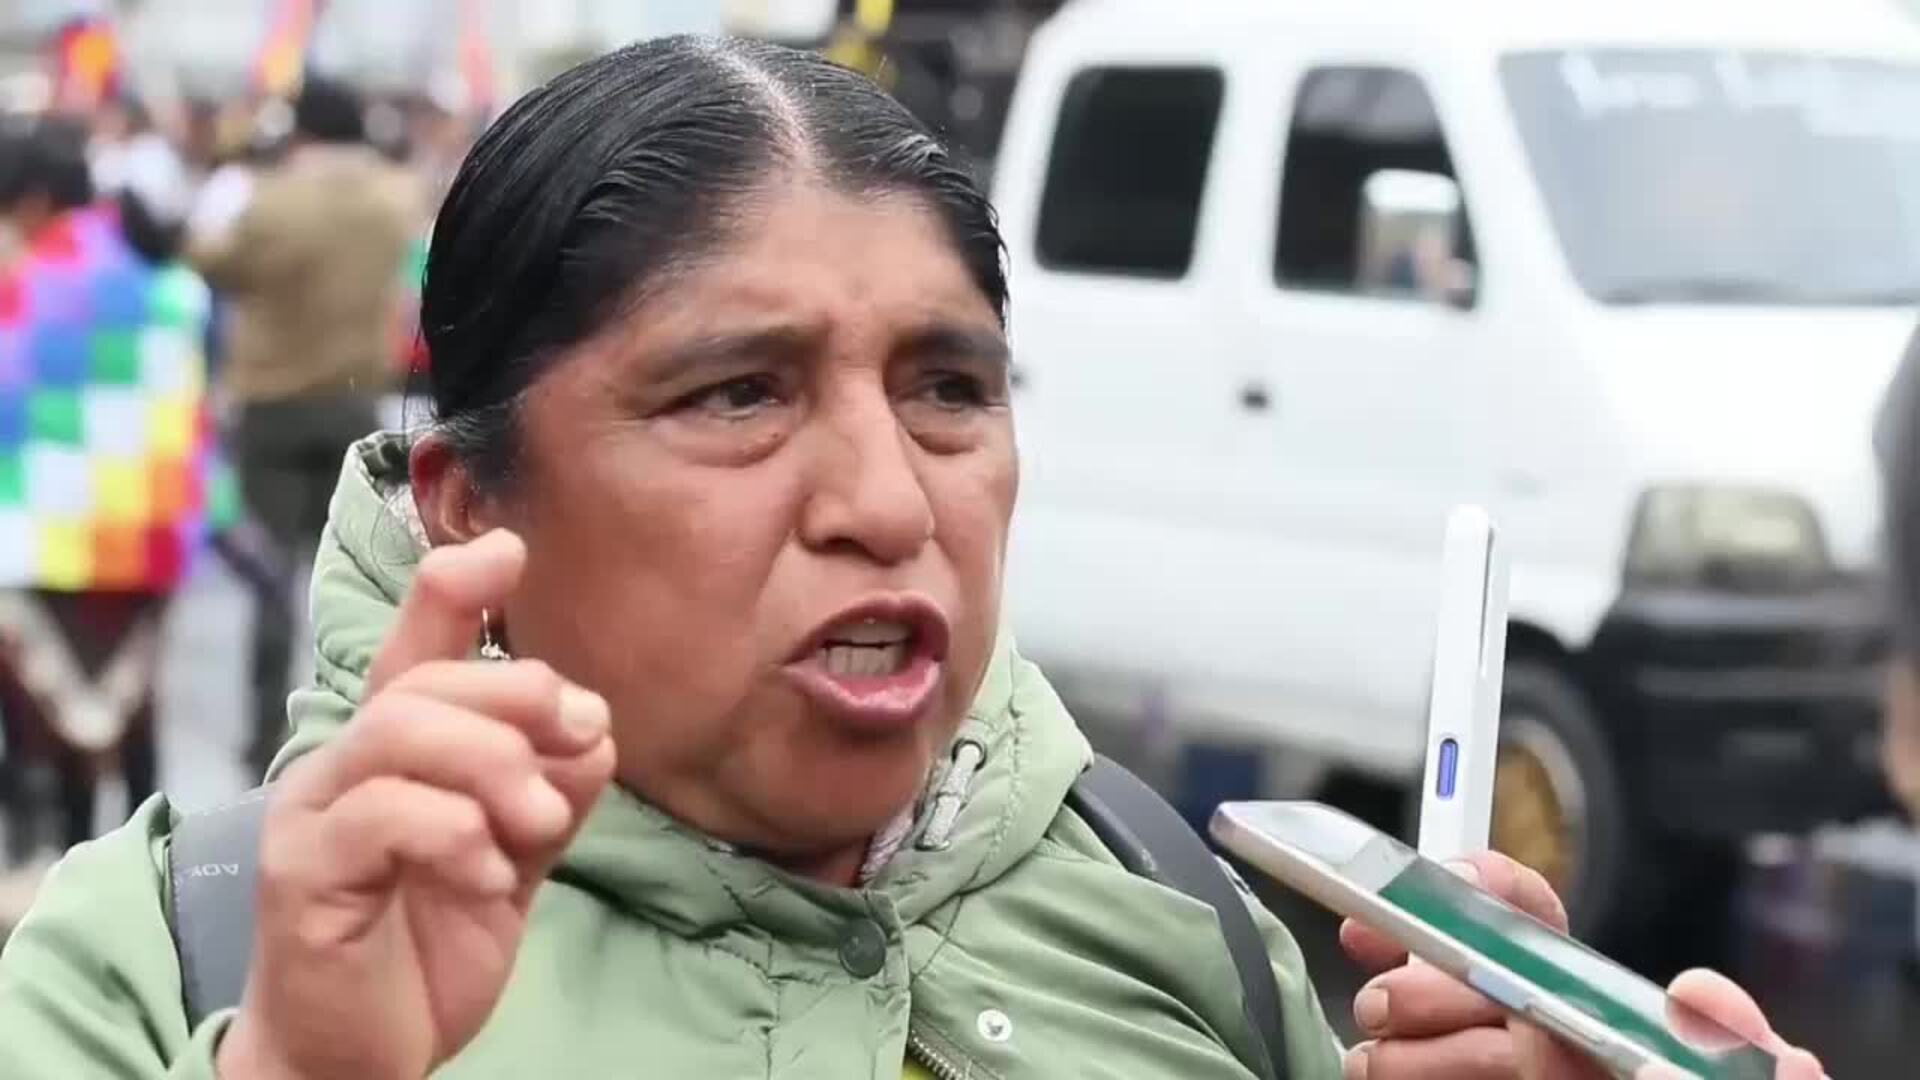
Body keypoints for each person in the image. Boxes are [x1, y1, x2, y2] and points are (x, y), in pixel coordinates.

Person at [0, 39, 1824, 1080]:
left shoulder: (1177, 917)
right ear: (473, 510)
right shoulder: (168, 960)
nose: (887, 499)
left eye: (950, 387)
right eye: (737, 394)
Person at [0, 117, 221, 864]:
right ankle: (148, 865)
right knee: (137, 714)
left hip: (42, 540)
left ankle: (69, 866)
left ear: (32, 201)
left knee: (49, 723)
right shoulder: (166, 285)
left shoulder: (20, 289)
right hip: (147, 535)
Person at [187, 75, 420, 775]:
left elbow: (211, 263)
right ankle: (350, 717)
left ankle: (266, 732)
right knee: (355, 573)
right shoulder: (395, 198)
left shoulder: (273, 200)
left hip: (272, 407)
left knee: (271, 578)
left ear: (303, 131)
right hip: (354, 402)